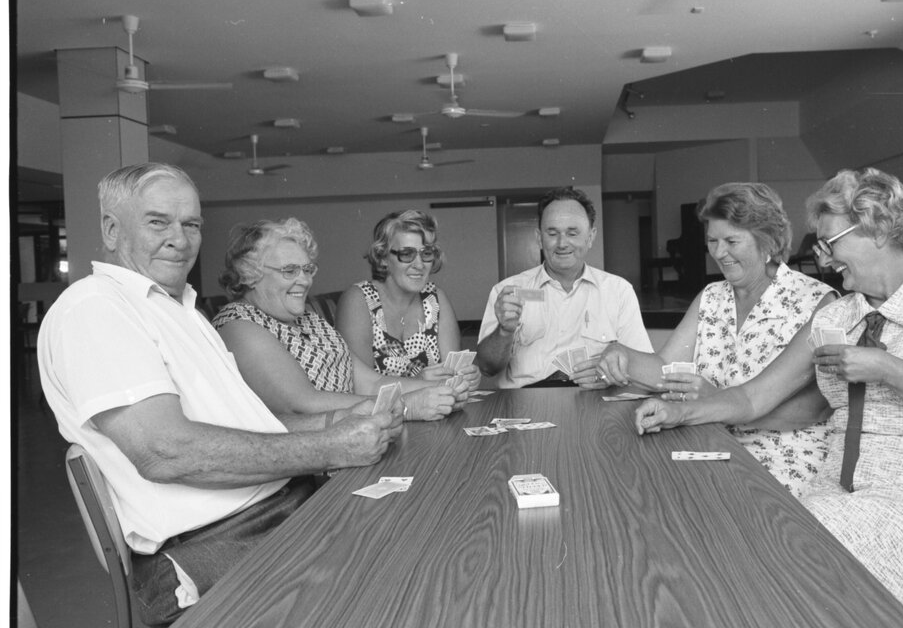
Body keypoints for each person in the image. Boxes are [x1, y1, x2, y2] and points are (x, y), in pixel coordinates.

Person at [37, 163, 402, 626]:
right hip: (213, 550)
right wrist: (330, 444)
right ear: (111, 229)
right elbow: (167, 452)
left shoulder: (181, 308)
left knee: (415, 538)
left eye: (191, 224)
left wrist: (346, 425)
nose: (179, 238)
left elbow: (250, 430)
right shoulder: (95, 309)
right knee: (402, 585)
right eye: (157, 221)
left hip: (277, 512)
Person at [634, 168, 903, 613]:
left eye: (831, 243)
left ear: (879, 229)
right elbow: (752, 398)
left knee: (775, 568)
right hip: (839, 496)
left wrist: (890, 370)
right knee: (730, 535)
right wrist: (680, 413)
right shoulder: (838, 316)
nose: (823, 260)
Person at [598, 183, 837, 497]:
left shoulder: (817, 303)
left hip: (784, 456)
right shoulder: (711, 297)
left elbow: (817, 409)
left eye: (731, 241)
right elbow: (666, 369)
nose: (719, 253)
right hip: (710, 439)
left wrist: (712, 400)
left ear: (768, 241)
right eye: (712, 240)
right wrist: (619, 354)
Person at [212, 217, 480, 421]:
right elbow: (303, 404)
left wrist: (441, 388)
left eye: (307, 269)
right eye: (290, 270)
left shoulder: (308, 318)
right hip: (311, 471)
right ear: (249, 274)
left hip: (363, 438)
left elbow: (371, 382)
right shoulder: (239, 325)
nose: (304, 280)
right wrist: (409, 405)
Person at [477, 186, 653, 388]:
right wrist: (504, 332)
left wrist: (609, 373)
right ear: (539, 238)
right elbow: (487, 368)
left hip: (595, 399)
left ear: (590, 237)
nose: (562, 243)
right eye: (552, 233)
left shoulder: (618, 291)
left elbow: (643, 366)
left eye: (572, 233)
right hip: (525, 401)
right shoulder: (508, 291)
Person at [337, 210, 462, 379]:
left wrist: (464, 377)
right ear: (382, 257)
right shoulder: (358, 300)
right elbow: (359, 387)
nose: (419, 265)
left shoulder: (435, 298)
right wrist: (417, 384)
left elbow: (452, 373)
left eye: (426, 253)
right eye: (406, 254)